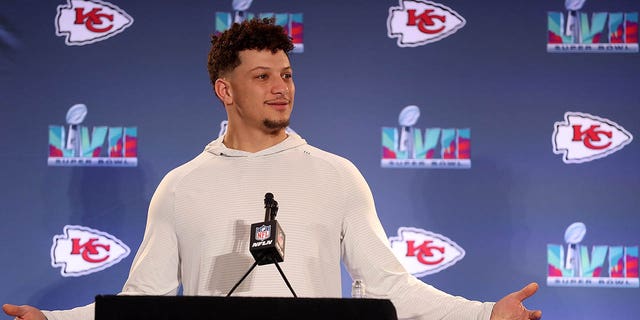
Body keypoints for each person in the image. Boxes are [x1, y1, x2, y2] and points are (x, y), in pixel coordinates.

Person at [2, 18, 542, 320]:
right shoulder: (180, 188)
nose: (280, 87)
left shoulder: (337, 177)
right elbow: (141, 304)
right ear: (225, 91)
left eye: (285, 74)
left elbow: (388, 288)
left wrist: (485, 314)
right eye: (261, 76)